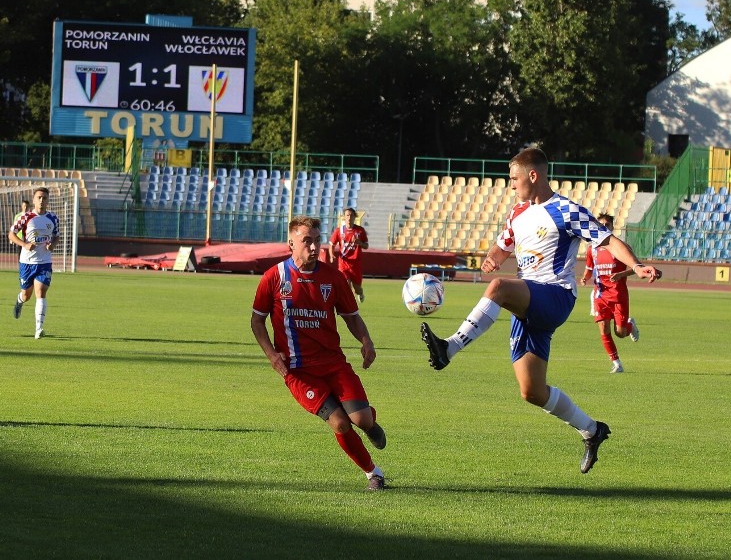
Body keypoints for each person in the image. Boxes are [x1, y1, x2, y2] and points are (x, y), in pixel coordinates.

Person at [420, 148, 660, 474]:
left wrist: (637, 265)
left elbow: (607, 241)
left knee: (500, 289)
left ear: (534, 176)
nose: (512, 186)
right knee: (531, 391)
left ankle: (449, 347)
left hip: (556, 296)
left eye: (515, 179)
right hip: (529, 304)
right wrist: (493, 258)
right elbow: (503, 243)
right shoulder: (518, 212)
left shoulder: (566, 210)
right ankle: (592, 430)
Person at [251, 215, 388, 491]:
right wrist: (272, 356)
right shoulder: (274, 277)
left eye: (317, 241)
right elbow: (257, 320)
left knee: (361, 420)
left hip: (333, 364)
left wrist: (366, 340)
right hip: (298, 371)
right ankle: (374, 473)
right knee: (339, 423)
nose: (314, 248)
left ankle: (368, 420)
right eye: (306, 242)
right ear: (291, 243)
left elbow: (351, 316)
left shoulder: (333, 278)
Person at [579, 213, 640, 374]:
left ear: (613, 227)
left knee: (620, 333)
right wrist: (585, 278)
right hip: (600, 295)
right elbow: (590, 268)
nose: (604, 227)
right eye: (602, 225)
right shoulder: (592, 248)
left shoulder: (621, 247)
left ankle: (630, 325)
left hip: (618, 295)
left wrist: (621, 275)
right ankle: (616, 363)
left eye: (607, 225)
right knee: (603, 328)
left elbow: (635, 268)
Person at [9, 188, 59, 339]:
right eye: (39, 198)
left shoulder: (53, 218)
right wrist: (24, 245)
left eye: (44, 198)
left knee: (41, 292)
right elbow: (11, 234)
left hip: (44, 262)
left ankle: (39, 328)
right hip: (27, 262)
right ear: (34, 199)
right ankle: (19, 301)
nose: (42, 200)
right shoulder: (25, 217)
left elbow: (56, 236)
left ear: (48, 200)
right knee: (26, 294)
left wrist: (53, 245)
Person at [328, 208, 369, 302]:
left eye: (351, 215)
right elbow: (331, 244)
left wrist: (360, 243)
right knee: (346, 283)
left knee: (357, 288)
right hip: (343, 262)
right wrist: (331, 255)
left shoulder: (360, 231)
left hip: (355, 263)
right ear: (344, 217)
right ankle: (349, 304)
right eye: (347, 215)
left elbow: (366, 246)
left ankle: (360, 293)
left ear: (354, 217)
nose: (349, 217)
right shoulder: (339, 231)